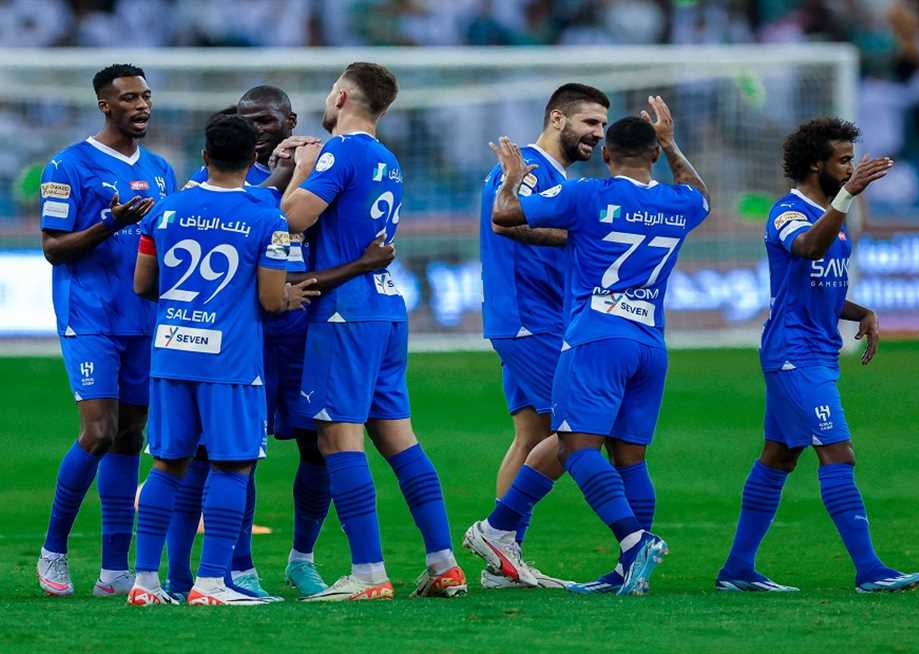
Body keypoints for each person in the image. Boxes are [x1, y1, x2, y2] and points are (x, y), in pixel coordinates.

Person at [486, 98, 710, 595]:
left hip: (597, 336)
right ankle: (630, 569)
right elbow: (700, 190)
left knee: (575, 444)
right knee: (630, 457)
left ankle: (633, 542)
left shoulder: (588, 195)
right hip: (651, 342)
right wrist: (673, 144)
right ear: (654, 155)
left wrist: (509, 176)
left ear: (606, 153)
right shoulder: (682, 203)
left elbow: (504, 215)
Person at [716, 118, 919, 593]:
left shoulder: (832, 214)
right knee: (837, 452)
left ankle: (737, 569)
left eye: (852, 160)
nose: (851, 167)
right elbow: (808, 249)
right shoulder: (788, 212)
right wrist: (848, 194)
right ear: (816, 164)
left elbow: (820, 288)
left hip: (815, 351)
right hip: (793, 354)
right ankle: (870, 569)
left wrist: (860, 311)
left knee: (780, 455)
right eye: (843, 160)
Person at [282, 62, 465, 601]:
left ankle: (367, 572)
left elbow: (293, 218)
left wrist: (300, 169)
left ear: (340, 96)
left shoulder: (341, 151)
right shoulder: (388, 158)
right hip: (386, 306)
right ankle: (443, 563)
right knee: (399, 437)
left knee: (338, 437)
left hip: (345, 311)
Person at [127, 114, 316, 606]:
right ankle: (212, 582)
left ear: (205, 157)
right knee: (231, 467)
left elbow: (143, 285)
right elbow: (273, 301)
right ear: (252, 159)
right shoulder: (265, 220)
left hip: (170, 355)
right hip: (229, 362)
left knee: (168, 465)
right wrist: (293, 298)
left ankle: (145, 582)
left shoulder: (166, 212)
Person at [37, 63, 175, 598]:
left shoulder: (160, 168)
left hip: (144, 318)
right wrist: (107, 226)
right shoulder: (68, 165)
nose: (141, 106)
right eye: (129, 98)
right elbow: (52, 248)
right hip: (90, 315)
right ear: (104, 105)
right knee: (97, 432)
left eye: (145, 96)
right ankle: (53, 551)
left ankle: (115, 569)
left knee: (127, 438)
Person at [469, 84, 608, 590]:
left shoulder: (556, 176)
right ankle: (496, 533)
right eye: (589, 122)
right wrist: (589, 232)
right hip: (529, 319)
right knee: (582, 428)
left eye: (602, 125)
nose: (597, 133)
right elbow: (503, 224)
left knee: (531, 435)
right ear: (557, 119)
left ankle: (501, 565)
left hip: (540, 317)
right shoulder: (524, 168)